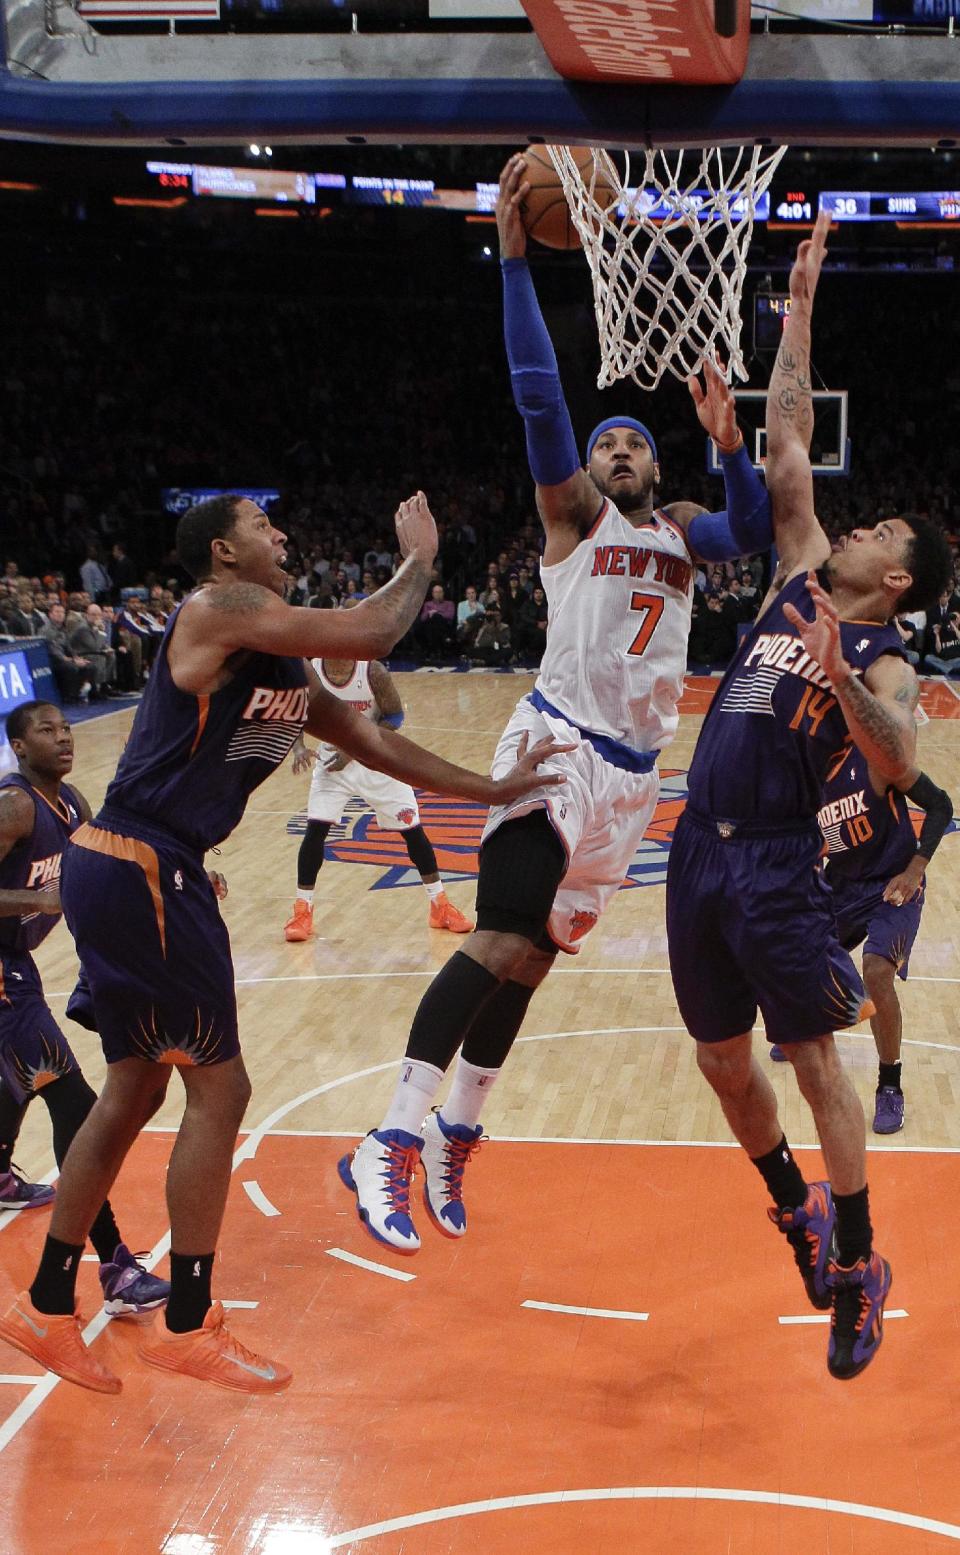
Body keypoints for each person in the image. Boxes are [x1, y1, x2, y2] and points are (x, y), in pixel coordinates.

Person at [0, 489, 565, 1396]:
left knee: (138, 1086)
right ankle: (187, 1320)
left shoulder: (280, 663)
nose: (284, 535)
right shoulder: (216, 609)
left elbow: (371, 741)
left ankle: (44, 1301)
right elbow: (376, 629)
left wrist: (491, 791)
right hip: (145, 861)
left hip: (135, 863)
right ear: (224, 551)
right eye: (266, 527)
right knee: (221, 1086)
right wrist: (419, 557)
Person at [337, 151, 778, 1260]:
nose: (617, 449)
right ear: (583, 472)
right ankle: (386, 1135)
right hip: (554, 750)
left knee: (531, 959)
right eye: (604, 443)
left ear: (654, 462)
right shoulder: (575, 522)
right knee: (495, 937)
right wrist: (514, 257)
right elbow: (540, 397)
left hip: (634, 779)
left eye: (633, 440)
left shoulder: (682, 528)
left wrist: (731, 449)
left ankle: (455, 1133)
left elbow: (757, 530)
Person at [664, 213, 953, 1380]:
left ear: (896, 579)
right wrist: (798, 301)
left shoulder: (883, 657)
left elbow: (899, 758)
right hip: (695, 846)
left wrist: (846, 681)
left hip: (779, 863)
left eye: (882, 528)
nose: (860, 516)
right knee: (721, 1065)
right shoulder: (796, 570)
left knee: (814, 1061)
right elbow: (788, 436)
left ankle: (860, 1265)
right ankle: (795, 1210)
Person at [0, 702, 170, 1320]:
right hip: (0, 977)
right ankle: (116, 1267)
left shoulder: (70, 802)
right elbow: (48, 894)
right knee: (74, 1103)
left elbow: (104, 864)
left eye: (66, 728)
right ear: (18, 747)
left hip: (16, 967)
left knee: (23, 1077)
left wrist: (182, 879)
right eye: (46, 731)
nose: (62, 738)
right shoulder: (14, 805)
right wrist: (38, 899)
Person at [771, 752, 952, 1136]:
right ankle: (809, 1024)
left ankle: (890, 1085)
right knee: (801, 953)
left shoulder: (875, 759)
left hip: (895, 884)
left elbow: (941, 805)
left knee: (876, 972)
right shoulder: (801, 778)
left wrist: (915, 868)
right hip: (844, 884)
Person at [284, 621, 475, 940]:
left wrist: (357, 747)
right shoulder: (312, 671)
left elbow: (395, 718)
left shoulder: (372, 672)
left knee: (413, 833)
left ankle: (439, 905)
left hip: (381, 759)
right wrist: (300, 747)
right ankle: (302, 911)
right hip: (333, 764)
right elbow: (295, 713)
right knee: (315, 831)